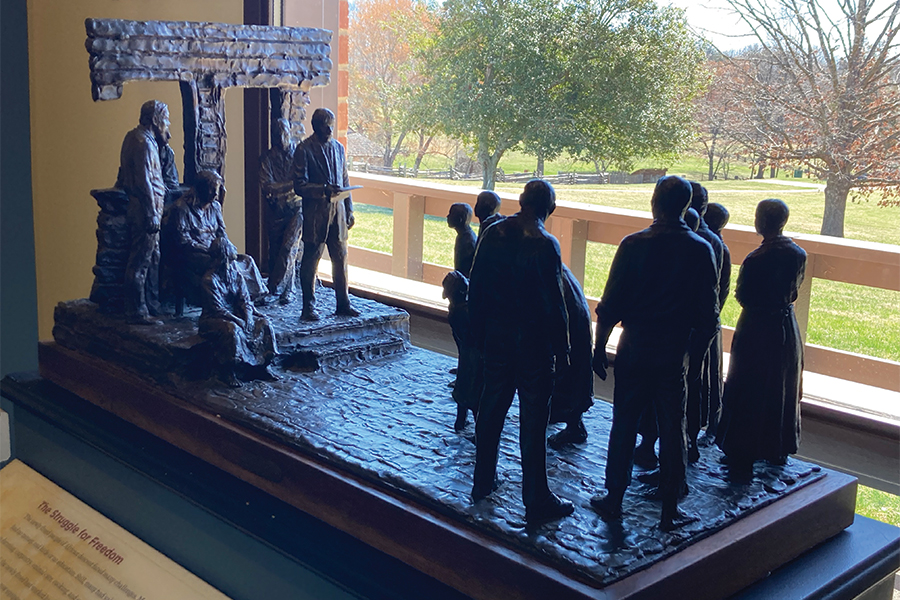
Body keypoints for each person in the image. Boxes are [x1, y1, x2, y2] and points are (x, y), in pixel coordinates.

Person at [590, 175, 719, 532]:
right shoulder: (700, 249)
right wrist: (695, 359)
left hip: (634, 347)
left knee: (624, 423)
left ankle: (614, 497)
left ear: (654, 203)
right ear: (686, 206)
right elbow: (709, 317)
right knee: (673, 427)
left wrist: (599, 347)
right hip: (673, 352)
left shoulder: (633, 244)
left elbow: (609, 305)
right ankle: (670, 508)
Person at [468, 179, 573, 526]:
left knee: (491, 408)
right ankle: (536, 496)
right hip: (533, 344)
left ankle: (482, 480)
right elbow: (555, 304)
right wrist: (564, 350)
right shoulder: (545, 243)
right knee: (534, 420)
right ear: (550, 209)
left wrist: (476, 334)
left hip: (498, 336)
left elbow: (477, 286)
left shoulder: (493, 233)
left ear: (521, 200)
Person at [717, 199, 806, 473]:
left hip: (756, 327)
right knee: (782, 384)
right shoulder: (798, 254)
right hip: (785, 325)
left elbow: (743, 294)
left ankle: (743, 449)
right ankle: (778, 446)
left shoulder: (756, 259)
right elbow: (795, 289)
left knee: (749, 384)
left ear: (761, 221)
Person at [162, 170, 266, 316]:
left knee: (246, 260)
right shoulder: (181, 208)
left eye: (217, 189)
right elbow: (182, 241)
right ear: (201, 188)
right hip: (193, 254)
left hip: (217, 251)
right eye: (212, 189)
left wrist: (228, 247)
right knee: (227, 265)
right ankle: (237, 305)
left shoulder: (215, 207)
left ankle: (247, 302)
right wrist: (208, 249)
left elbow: (221, 232)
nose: (215, 194)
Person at [292, 108, 358, 320]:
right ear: (315, 126)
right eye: (325, 125)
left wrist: (349, 209)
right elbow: (299, 186)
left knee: (341, 258)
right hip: (316, 215)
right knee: (311, 260)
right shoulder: (304, 149)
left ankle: (343, 303)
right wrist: (322, 189)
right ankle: (308, 307)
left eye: (331, 125)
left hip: (338, 214)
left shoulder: (338, 148)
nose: (330, 129)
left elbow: (345, 180)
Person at [116, 100, 169, 324]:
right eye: (166, 120)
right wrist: (151, 213)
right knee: (141, 260)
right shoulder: (143, 142)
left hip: (148, 206)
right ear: (155, 120)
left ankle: (152, 304)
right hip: (146, 208)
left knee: (153, 257)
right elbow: (143, 180)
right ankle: (137, 310)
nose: (167, 126)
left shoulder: (136, 138)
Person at [199, 238, 278, 387]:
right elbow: (217, 309)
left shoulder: (236, 275)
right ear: (224, 253)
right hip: (213, 319)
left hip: (236, 315)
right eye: (230, 246)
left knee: (264, 323)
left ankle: (263, 366)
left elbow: (245, 300)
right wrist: (238, 320)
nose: (234, 248)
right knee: (232, 329)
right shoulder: (209, 280)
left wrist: (248, 318)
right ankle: (228, 371)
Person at [686, 182, 724, 462]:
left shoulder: (708, 242)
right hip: (693, 322)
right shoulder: (701, 239)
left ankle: (702, 433)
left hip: (699, 323)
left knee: (699, 381)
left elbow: (720, 287)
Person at [547, 263, 593, 448]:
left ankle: (574, 426)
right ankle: (560, 415)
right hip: (571, 326)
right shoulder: (555, 267)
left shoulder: (548, 270)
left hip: (569, 330)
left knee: (567, 377)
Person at [261, 118, 303, 304]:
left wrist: (282, 188)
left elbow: (304, 182)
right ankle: (288, 289)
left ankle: (275, 290)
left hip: (298, 209)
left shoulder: (299, 155)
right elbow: (267, 186)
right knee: (277, 250)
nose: (280, 137)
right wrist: (291, 185)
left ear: (289, 132)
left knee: (289, 245)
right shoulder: (267, 158)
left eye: (283, 133)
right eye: (276, 134)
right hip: (276, 211)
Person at [701, 202, 732, 443]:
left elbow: (723, 289)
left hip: (707, 320)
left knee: (711, 374)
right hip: (706, 318)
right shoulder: (711, 243)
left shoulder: (716, 247)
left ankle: (713, 425)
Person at [443, 270, 481, 431]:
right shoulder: (463, 311)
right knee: (473, 393)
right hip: (473, 356)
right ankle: (477, 429)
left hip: (467, 356)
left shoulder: (457, 309)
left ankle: (461, 422)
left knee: (465, 390)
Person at [447, 203, 477, 276]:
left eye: (451, 214)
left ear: (459, 219)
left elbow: (463, 271)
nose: (447, 216)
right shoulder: (462, 236)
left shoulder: (466, 242)